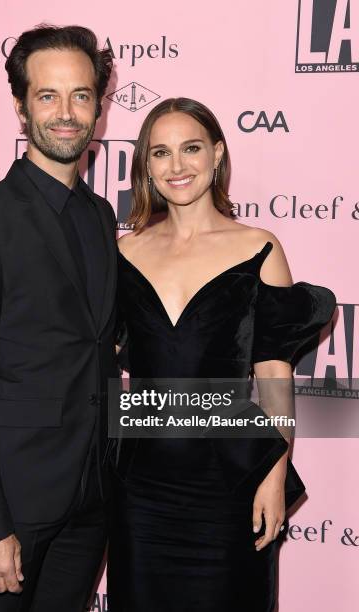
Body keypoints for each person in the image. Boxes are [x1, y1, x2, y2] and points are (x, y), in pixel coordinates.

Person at [107, 98, 336, 611]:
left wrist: (275, 475)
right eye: (160, 153)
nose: (177, 166)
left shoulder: (258, 247)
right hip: (140, 492)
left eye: (191, 149)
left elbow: (275, 373)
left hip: (230, 484)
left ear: (217, 154)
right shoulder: (123, 253)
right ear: (146, 166)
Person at [0, 25, 117, 611]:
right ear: (20, 105)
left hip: (92, 495)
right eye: (47, 96)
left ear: (98, 107)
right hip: (13, 503)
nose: (66, 113)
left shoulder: (102, 217)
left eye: (81, 95)